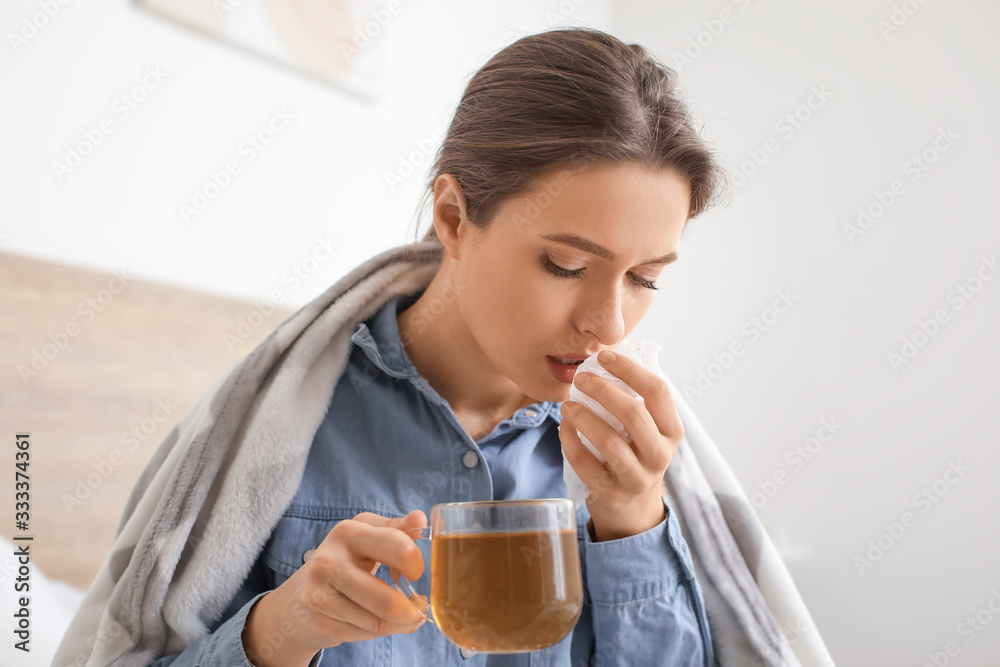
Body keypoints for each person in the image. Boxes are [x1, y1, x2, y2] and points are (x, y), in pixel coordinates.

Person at [147, 26, 725, 666]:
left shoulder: (622, 456)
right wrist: (282, 628)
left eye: (646, 278)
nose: (611, 326)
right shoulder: (285, 428)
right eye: (565, 264)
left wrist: (635, 517)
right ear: (453, 217)